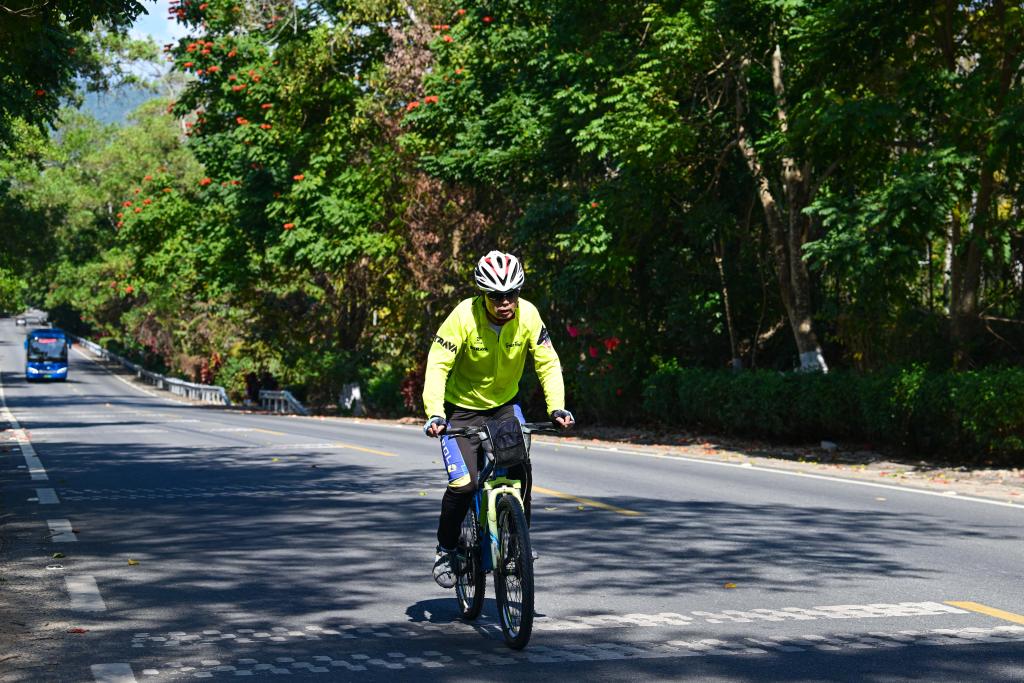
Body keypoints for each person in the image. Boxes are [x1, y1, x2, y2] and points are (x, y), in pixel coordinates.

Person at [423, 250, 574, 588]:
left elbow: (548, 363)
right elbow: (438, 365)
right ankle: (446, 549)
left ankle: (519, 543)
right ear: (483, 294)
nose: (506, 302)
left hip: (504, 406)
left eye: (512, 294)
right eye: (496, 296)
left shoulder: (530, 316)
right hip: (459, 410)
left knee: (520, 469)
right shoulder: (463, 316)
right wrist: (434, 412)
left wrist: (557, 408)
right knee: (464, 485)